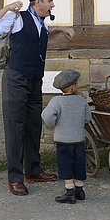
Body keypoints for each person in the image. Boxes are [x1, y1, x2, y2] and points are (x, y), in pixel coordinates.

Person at [0, 0, 74, 196]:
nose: (52, 4)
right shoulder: (18, 18)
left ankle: (33, 170)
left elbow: (39, 35)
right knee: (15, 127)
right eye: (49, 0)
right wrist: (6, 8)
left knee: (33, 124)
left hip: (34, 79)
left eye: (52, 0)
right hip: (15, 79)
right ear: (37, 2)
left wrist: (61, 29)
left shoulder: (39, 22)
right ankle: (15, 178)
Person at [41, 69, 91, 204]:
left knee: (66, 164)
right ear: (74, 86)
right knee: (79, 163)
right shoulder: (81, 100)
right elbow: (88, 118)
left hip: (63, 141)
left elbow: (47, 117)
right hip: (79, 139)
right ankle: (80, 191)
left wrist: (54, 123)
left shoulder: (56, 101)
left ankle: (69, 192)